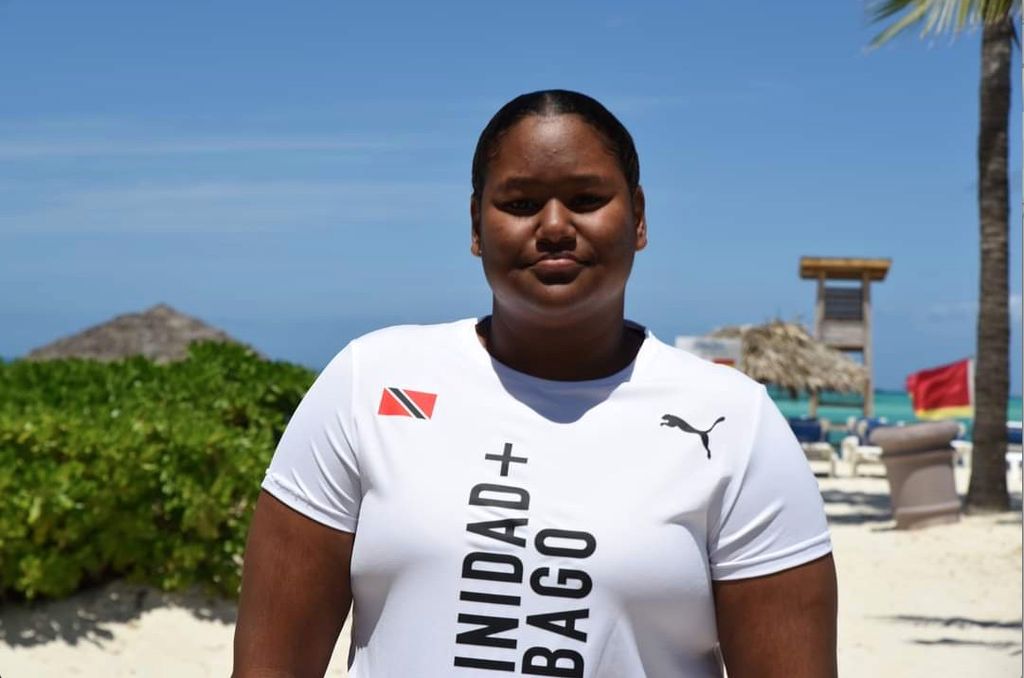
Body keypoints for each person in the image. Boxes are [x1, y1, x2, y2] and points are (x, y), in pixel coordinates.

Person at [233, 89, 838, 678]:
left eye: (586, 199)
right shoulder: (372, 381)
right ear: (476, 225)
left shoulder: (735, 423)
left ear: (639, 218)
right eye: (520, 203)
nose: (553, 226)